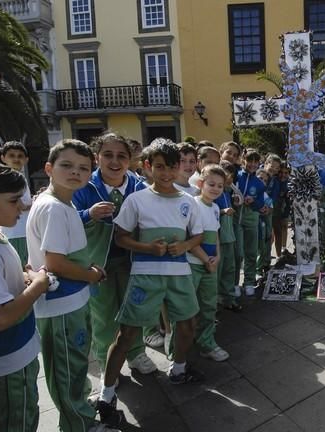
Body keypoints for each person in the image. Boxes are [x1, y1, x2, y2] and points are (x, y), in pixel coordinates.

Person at [96, 140, 203, 427]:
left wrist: (184, 246)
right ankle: (105, 394)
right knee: (127, 334)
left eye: (171, 167)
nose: (165, 173)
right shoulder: (136, 200)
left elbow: (198, 237)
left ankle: (178, 369)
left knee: (188, 325)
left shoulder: (187, 201)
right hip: (145, 277)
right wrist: (146, 248)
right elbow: (120, 237)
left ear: (179, 167)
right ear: (147, 167)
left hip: (179, 276)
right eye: (159, 167)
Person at [26, 140, 112, 432]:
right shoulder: (53, 207)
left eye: (83, 168)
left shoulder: (66, 202)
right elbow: (56, 263)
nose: (75, 172)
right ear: (49, 168)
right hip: (60, 304)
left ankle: (81, 413)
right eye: (66, 165)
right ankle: (78, 425)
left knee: (76, 364)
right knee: (66, 368)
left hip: (72, 301)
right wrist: (91, 274)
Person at [72, 132, 156, 394]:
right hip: (99, 265)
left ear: (130, 160)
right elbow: (69, 218)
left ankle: (136, 353)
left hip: (134, 261)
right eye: (108, 155)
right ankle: (107, 361)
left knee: (134, 309)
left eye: (121, 156)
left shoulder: (139, 186)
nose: (115, 161)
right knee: (104, 314)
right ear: (97, 157)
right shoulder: (84, 187)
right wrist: (89, 213)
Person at [0, 159, 50, 432]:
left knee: (26, 412)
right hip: (6, 358)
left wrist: (26, 277)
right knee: (15, 422)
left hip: (17, 352)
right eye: (12, 200)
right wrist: (38, 285)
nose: (22, 206)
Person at [189, 164, 229, 361]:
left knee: (208, 306)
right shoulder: (192, 204)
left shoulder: (215, 208)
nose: (215, 189)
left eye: (220, 186)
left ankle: (206, 343)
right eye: (211, 184)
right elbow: (190, 239)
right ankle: (178, 349)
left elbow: (216, 237)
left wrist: (217, 258)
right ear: (200, 183)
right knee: (187, 308)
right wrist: (206, 260)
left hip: (211, 265)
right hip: (194, 264)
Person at [235, 149, 265, 296]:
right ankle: (234, 284)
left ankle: (249, 282)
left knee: (251, 252)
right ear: (243, 161)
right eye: (249, 160)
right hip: (235, 218)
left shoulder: (259, 183)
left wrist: (253, 201)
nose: (252, 164)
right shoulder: (236, 176)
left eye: (255, 161)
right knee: (237, 253)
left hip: (251, 218)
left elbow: (261, 203)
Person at [0, 141, 32, 266]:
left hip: (17, 230)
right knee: (23, 266)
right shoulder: (12, 177)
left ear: (26, 159)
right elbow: (19, 203)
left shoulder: (16, 176)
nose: (16, 159)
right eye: (12, 155)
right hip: (17, 231)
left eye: (20, 156)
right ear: (3, 158)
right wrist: (36, 203)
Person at [216, 160, 241, 311]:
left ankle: (229, 297)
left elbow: (239, 196)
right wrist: (223, 211)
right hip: (218, 237)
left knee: (230, 268)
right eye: (226, 176)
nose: (229, 179)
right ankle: (216, 302)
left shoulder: (227, 191)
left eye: (231, 177)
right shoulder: (215, 192)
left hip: (229, 235)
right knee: (218, 271)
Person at [258, 154, 281, 272]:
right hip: (256, 210)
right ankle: (258, 264)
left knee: (268, 236)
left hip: (269, 209)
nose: (274, 170)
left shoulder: (275, 180)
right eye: (272, 166)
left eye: (277, 168)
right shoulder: (258, 174)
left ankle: (266, 262)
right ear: (266, 163)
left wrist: (269, 208)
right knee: (259, 238)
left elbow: (274, 196)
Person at [273, 162, 291, 256]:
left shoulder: (290, 182)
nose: (283, 175)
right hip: (275, 208)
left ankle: (284, 248)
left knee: (284, 226)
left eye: (286, 173)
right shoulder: (275, 180)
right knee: (275, 231)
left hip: (285, 207)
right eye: (281, 172)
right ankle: (276, 252)